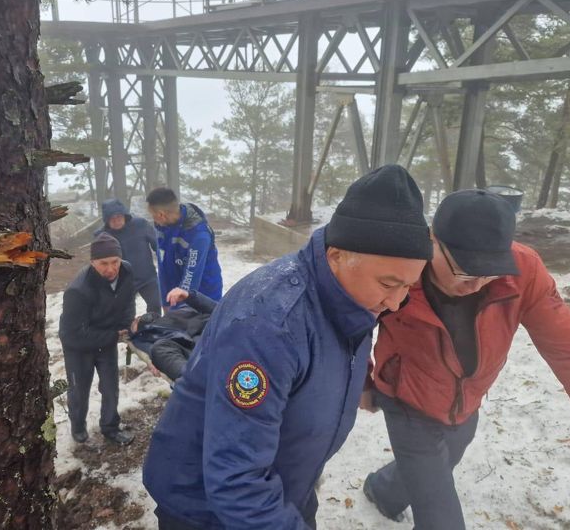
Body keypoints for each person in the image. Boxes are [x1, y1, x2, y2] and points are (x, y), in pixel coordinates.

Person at [142, 165, 434, 530]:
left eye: (408, 285)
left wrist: (358, 382)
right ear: (337, 255)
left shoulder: (354, 298)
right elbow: (236, 480)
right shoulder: (270, 324)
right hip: (208, 510)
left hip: (283, 488)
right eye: (390, 283)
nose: (396, 302)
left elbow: (324, 357)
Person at [361, 189, 570, 530]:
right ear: (433, 241)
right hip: (406, 397)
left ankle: (384, 491)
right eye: (466, 273)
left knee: (449, 453)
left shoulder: (522, 271)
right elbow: (355, 326)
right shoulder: (399, 265)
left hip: (465, 402)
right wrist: (363, 383)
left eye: (489, 273)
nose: (477, 285)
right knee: (439, 509)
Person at [58, 233, 135, 446]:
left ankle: (110, 427)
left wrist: (127, 324)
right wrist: (113, 335)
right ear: (93, 262)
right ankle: (78, 427)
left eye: (115, 262)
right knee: (79, 389)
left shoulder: (126, 271)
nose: (111, 269)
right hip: (77, 344)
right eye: (104, 263)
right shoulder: (78, 290)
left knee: (110, 386)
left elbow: (127, 300)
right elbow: (73, 334)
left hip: (106, 337)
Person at [146, 187, 223, 308]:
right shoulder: (162, 227)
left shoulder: (199, 234)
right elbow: (163, 267)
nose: (153, 219)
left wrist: (178, 310)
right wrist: (165, 301)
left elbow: (191, 277)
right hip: (175, 294)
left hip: (204, 296)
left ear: (161, 215)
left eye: (153, 215)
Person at [128, 287, 217, 381]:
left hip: (222, 333)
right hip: (213, 358)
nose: (138, 317)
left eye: (138, 317)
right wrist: (152, 360)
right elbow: (146, 346)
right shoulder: (157, 343)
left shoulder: (182, 310)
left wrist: (190, 296)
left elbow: (221, 309)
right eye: (136, 321)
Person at [96, 198, 161, 314]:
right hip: (121, 281)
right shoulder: (102, 236)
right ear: (107, 221)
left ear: (125, 215)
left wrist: (165, 263)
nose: (117, 221)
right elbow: (98, 261)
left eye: (119, 217)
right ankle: (129, 331)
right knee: (125, 313)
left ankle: (153, 328)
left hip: (146, 277)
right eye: (113, 219)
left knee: (155, 305)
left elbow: (158, 245)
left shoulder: (140, 225)